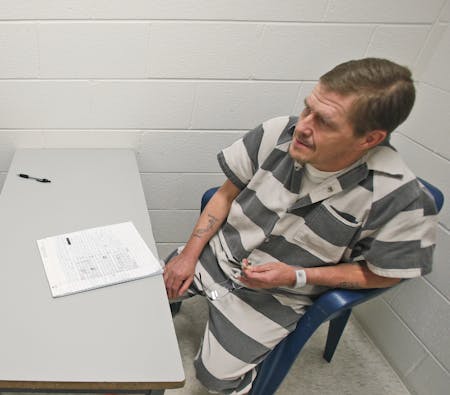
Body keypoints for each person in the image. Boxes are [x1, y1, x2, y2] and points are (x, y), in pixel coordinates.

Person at [162, 58, 439, 394]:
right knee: (141, 295)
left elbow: (386, 273)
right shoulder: (279, 131)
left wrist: (298, 275)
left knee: (214, 378)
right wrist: (189, 256)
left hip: (278, 295)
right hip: (218, 254)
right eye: (308, 108)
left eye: (324, 122)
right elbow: (222, 196)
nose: (303, 126)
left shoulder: (402, 199)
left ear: (369, 139)